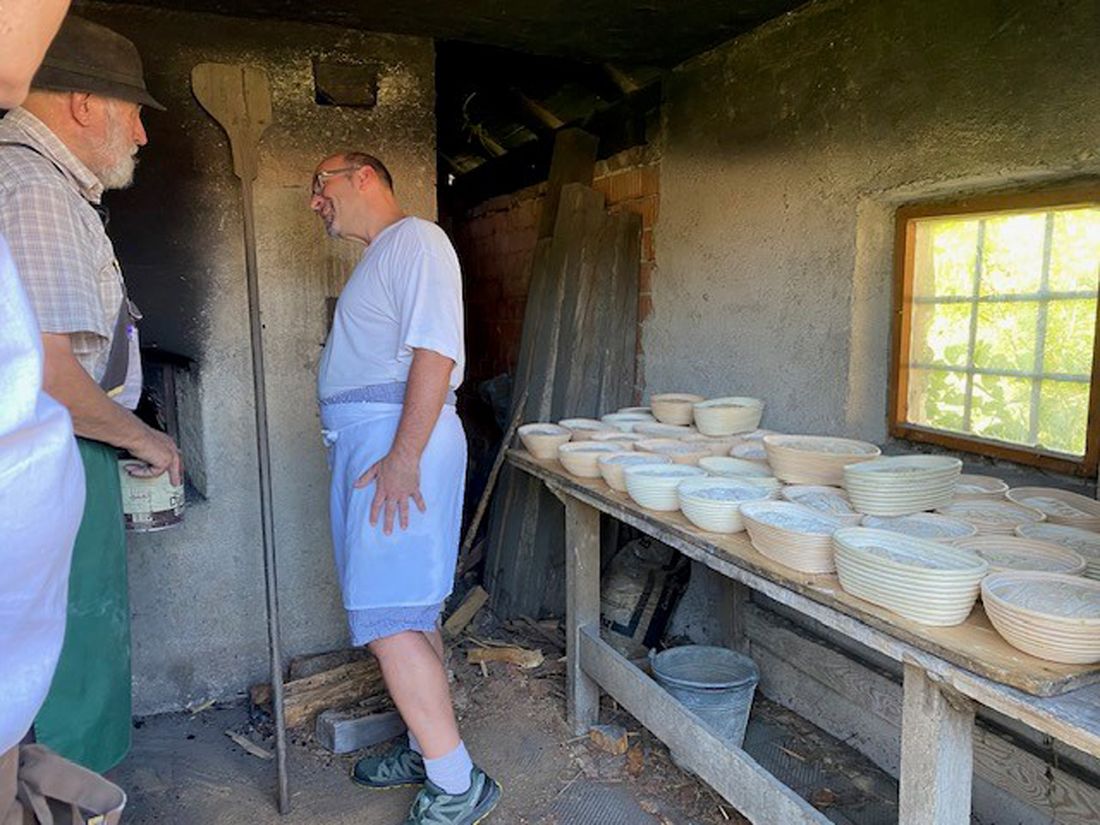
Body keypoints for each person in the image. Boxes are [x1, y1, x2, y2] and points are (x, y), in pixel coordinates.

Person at [0, 15, 182, 773]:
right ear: (82, 102)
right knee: (63, 677)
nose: (141, 134)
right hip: (54, 453)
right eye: (134, 111)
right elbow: (42, 376)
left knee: (75, 657)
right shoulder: (32, 187)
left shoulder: (46, 186)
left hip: (69, 449)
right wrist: (144, 436)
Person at [309, 153, 501, 824]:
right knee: (410, 613)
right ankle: (429, 749)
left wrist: (402, 457)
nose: (314, 201)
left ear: (364, 176)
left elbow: (436, 352)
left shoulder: (417, 240)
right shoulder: (388, 254)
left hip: (397, 447)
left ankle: (456, 783)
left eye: (320, 183)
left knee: (389, 621)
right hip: (382, 444)